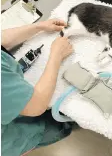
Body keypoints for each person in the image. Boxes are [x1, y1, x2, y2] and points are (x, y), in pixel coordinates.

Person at [1, 19, 73, 156]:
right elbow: (36, 105)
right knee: (54, 126)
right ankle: (63, 128)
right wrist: (56, 56)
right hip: (14, 135)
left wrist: (38, 27)